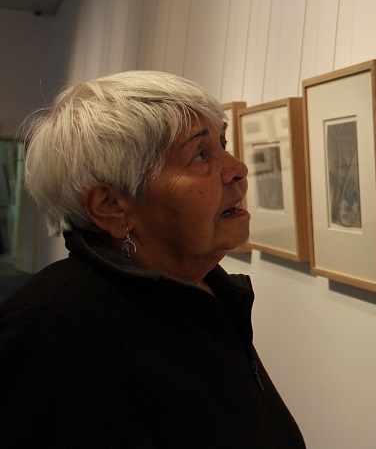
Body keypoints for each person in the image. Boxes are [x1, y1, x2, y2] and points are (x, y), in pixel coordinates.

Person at [0, 71, 305, 447]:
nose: (238, 169)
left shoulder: (205, 289)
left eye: (223, 143)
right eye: (200, 154)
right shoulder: (50, 333)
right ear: (111, 206)